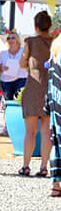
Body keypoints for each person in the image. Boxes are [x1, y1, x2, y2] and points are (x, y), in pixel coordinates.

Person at [18, 10, 53, 177]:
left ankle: (26, 165)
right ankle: (44, 167)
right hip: (51, 87)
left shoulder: (30, 42)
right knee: (47, 131)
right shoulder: (56, 42)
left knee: (30, 131)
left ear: (35, 26)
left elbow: (22, 62)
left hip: (33, 86)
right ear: (50, 26)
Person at [46, 33, 61, 196]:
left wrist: (48, 102)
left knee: (56, 141)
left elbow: (51, 76)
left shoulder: (56, 44)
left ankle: (55, 183)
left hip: (56, 100)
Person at [0, 31, 27, 102]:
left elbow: (28, 64)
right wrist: (2, 68)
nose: (10, 40)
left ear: (17, 40)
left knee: (20, 99)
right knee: (8, 101)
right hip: (6, 80)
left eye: (13, 38)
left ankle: (19, 113)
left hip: (21, 79)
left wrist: (23, 64)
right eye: (8, 38)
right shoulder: (3, 53)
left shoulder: (24, 51)